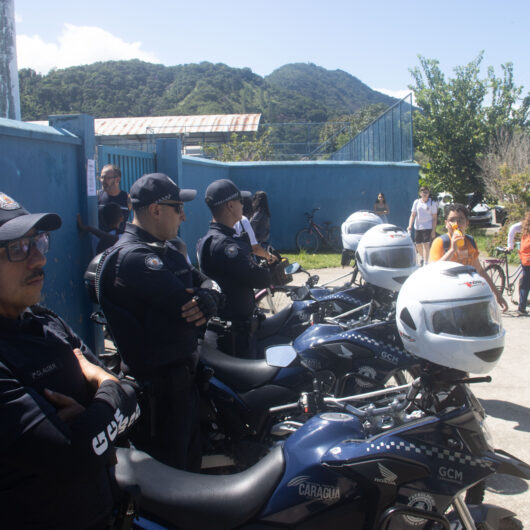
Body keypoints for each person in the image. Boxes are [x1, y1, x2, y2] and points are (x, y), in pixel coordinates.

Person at [0, 192, 138, 529]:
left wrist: (95, 420)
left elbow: (134, 402)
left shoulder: (47, 324)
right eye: (18, 248)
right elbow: (72, 456)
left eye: (38, 242)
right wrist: (106, 386)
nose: (38, 259)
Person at [98, 173, 222, 471]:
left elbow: (207, 285)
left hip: (182, 385)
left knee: (190, 469)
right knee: (172, 482)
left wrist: (210, 295)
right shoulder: (135, 258)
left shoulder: (165, 250)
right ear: (155, 210)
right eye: (177, 207)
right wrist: (208, 297)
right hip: (159, 397)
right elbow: (187, 307)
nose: (183, 215)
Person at [198, 179, 271, 358]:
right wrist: (268, 267)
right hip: (231, 339)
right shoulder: (224, 245)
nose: (243, 205)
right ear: (230, 205)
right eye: (240, 201)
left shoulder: (217, 239)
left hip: (234, 333)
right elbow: (260, 279)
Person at [429, 203, 508, 311]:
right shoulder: (440, 242)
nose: (456, 223)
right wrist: (452, 250)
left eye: (461, 219)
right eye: (452, 220)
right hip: (448, 299)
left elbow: (480, 271)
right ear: (446, 224)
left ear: (467, 223)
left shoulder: (470, 241)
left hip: (468, 297)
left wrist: (497, 295)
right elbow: (431, 271)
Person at [407, 186, 438, 265]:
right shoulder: (416, 202)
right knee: (418, 245)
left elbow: (434, 218)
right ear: (420, 193)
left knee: (426, 244)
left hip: (428, 226)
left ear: (429, 193)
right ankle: (424, 258)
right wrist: (410, 226)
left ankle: (426, 263)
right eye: (423, 192)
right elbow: (413, 215)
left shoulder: (432, 203)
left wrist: (433, 231)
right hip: (418, 227)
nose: (425, 194)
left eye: (426, 192)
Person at [507, 211, 530, 316]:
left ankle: (522, 303)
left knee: (525, 280)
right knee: (526, 282)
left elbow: (512, 229)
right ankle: (521, 307)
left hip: (525, 257)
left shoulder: (524, 225)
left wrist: (510, 246)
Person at [97, 164, 130, 232]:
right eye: (102, 177)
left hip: (120, 241)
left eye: (107, 178)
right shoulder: (97, 196)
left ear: (117, 180)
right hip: (102, 241)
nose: (103, 180)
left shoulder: (127, 199)